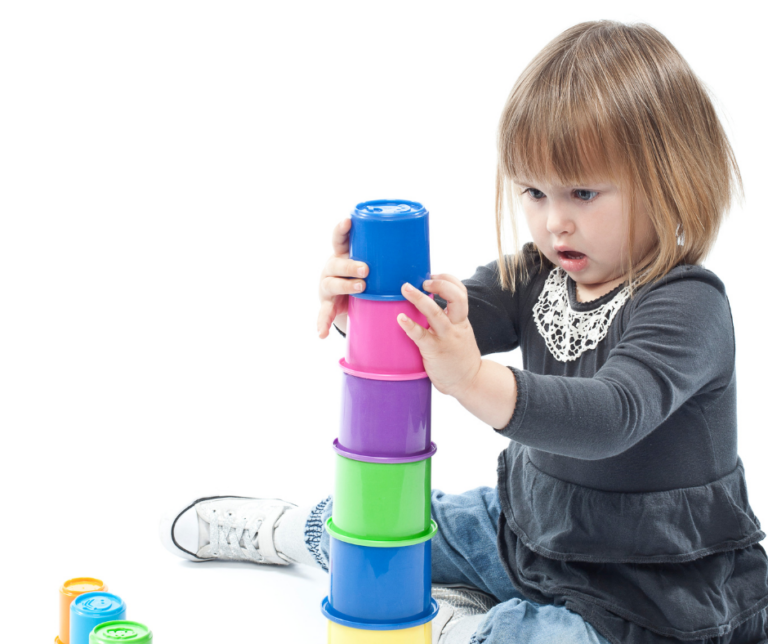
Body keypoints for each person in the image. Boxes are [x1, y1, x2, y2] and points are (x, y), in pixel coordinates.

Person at [160, 20, 768, 644]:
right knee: (393, 524)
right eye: (534, 192)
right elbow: (445, 320)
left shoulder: (687, 304)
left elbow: (613, 415)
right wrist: (368, 309)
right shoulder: (539, 272)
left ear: (671, 178)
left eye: (583, 193)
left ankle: (464, 625)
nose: (554, 222)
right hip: (528, 531)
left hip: (652, 590)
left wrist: (475, 380)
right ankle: (301, 531)